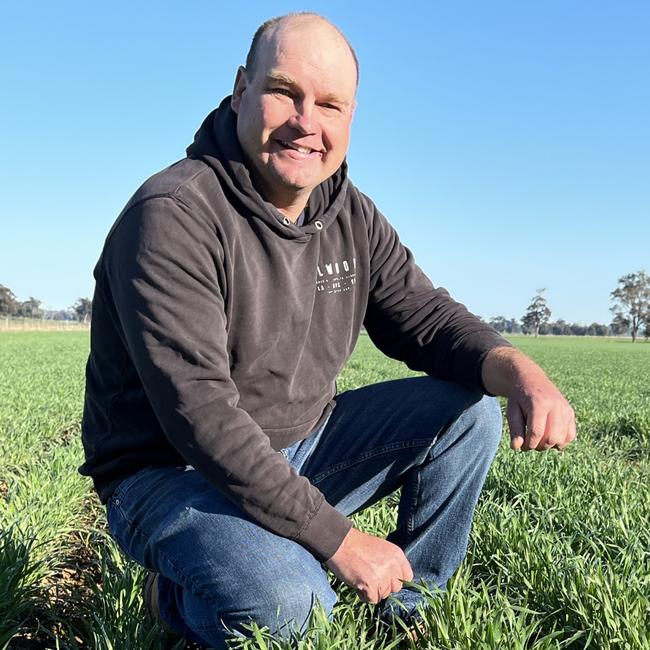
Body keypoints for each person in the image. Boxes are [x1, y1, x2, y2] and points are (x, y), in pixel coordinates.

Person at [79, 12, 575, 648]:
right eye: (285, 91)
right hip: (169, 474)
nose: (306, 122)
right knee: (293, 605)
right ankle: (181, 596)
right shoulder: (174, 216)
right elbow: (202, 418)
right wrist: (338, 540)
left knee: (469, 412)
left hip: (302, 446)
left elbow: (423, 316)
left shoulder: (348, 212)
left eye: (331, 105)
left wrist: (521, 372)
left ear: (351, 117)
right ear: (240, 90)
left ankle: (406, 614)